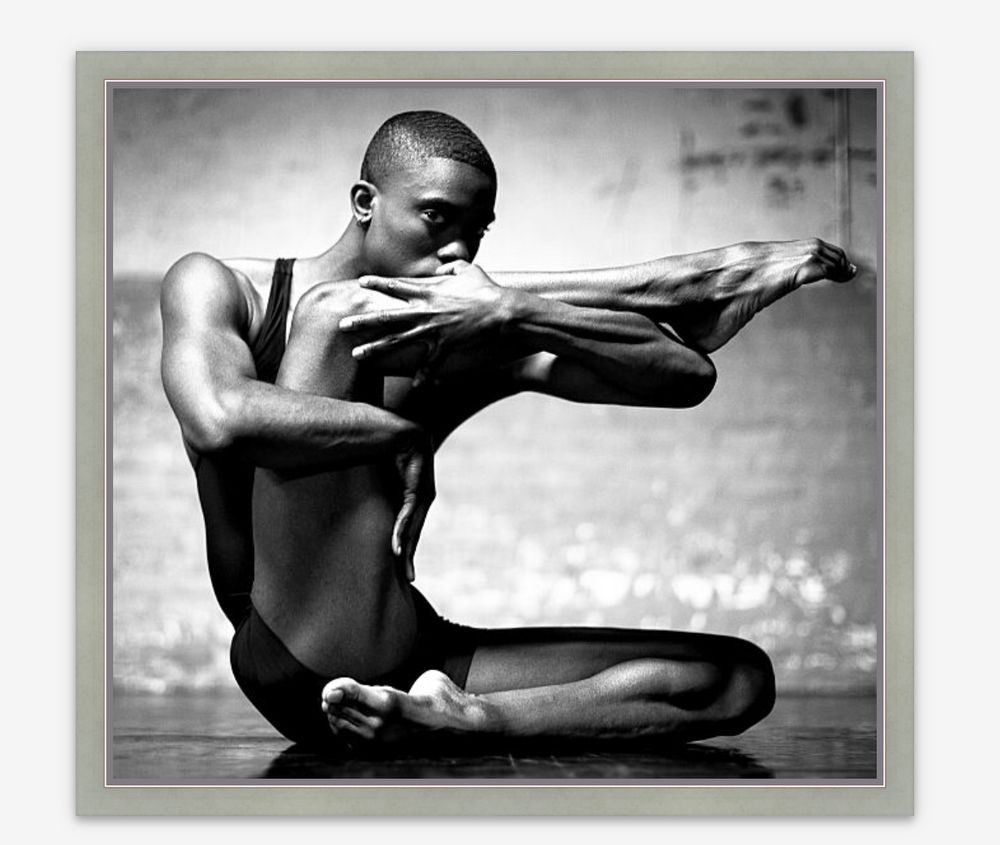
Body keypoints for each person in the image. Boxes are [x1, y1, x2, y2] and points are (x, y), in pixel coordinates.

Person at [160, 110, 857, 753]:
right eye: (436, 219)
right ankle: (679, 282)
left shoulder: (461, 333)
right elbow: (220, 420)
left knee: (738, 678)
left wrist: (514, 311)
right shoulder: (223, 288)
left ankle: (455, 718)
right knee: (335, 312)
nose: (460, 253)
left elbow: (686, 376)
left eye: (478, 231)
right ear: (364, 203)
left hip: (410, 653)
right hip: (292, 648)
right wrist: (403, 436)